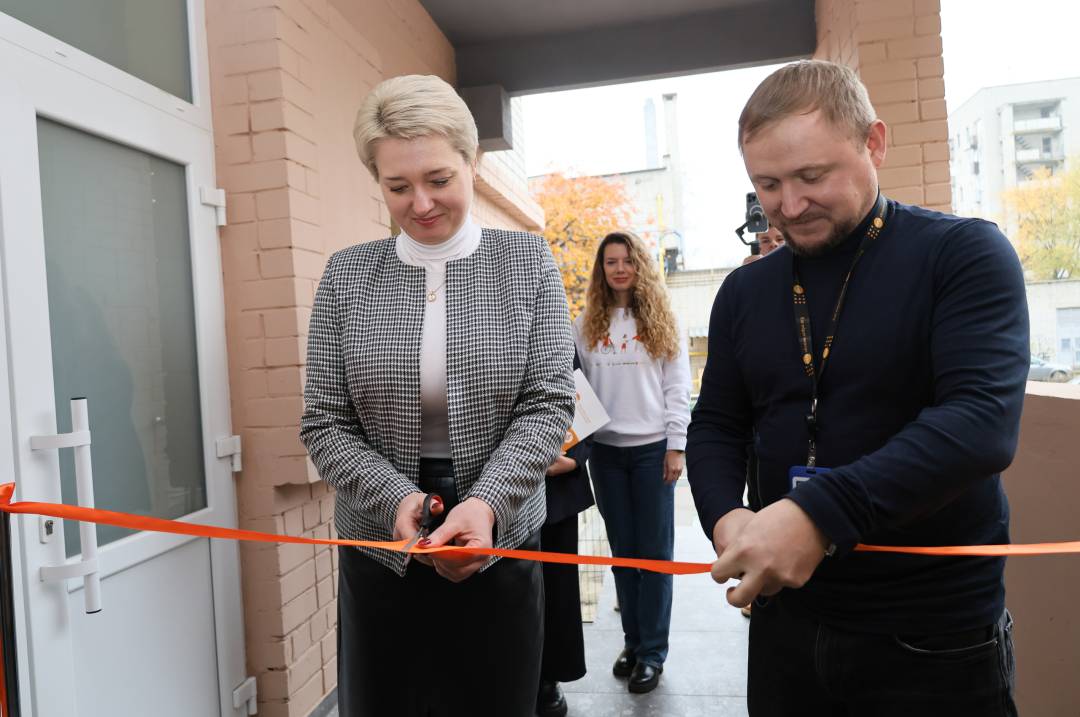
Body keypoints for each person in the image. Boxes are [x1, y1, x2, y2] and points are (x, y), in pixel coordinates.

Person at [687, 60, 1027, 716]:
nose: (789, 206)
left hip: (932, 633)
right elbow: (717, 424)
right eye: (767, 185)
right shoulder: (744, 291)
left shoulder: (962, 255)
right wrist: (727, 517)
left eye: (812, 176)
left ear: (874, 142)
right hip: (788, 623)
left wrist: (817, 514)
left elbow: (979, 423)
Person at [300, 74, 575, 717]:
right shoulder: (347, 276)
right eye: (397, 187)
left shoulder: (528, 263)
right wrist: (394, 496)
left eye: (438, 180)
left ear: (472, 165)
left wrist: (486, 504)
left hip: (498, 533)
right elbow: (323, 420)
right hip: (381, 542)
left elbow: (548, 404)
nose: (420, 203)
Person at [574, 230, 691, 694]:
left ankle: (652, 654)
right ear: (601, 270)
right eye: (610, 262)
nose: (619, 269)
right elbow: (572, 385)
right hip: (605, 453)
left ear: (640, 265)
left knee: (654, 557)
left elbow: (677, 387)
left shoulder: (662, 320)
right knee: (623, 555)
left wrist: (676, 445)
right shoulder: (585, 323)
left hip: (651, 452)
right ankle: (633, 642)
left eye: (626, 260)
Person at [536, 353, 594, 717]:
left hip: (554, 488)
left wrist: (575, 458)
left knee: (555, 588)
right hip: (487, 486)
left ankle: (548, 678)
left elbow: (581, 402)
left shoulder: (549, 314)